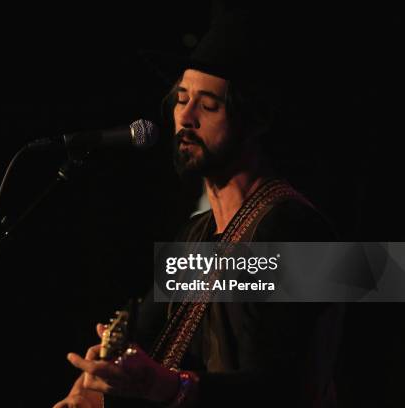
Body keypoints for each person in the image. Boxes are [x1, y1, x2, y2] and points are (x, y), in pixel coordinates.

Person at [54, 7, 342, 408]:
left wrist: (171, 387)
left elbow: (284, 390)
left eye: (208, 106)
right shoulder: (195, 236)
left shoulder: (293, 228)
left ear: (254, 120)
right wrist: (95, 385)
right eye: (182, 99)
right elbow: (145, 338)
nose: (184, 118)